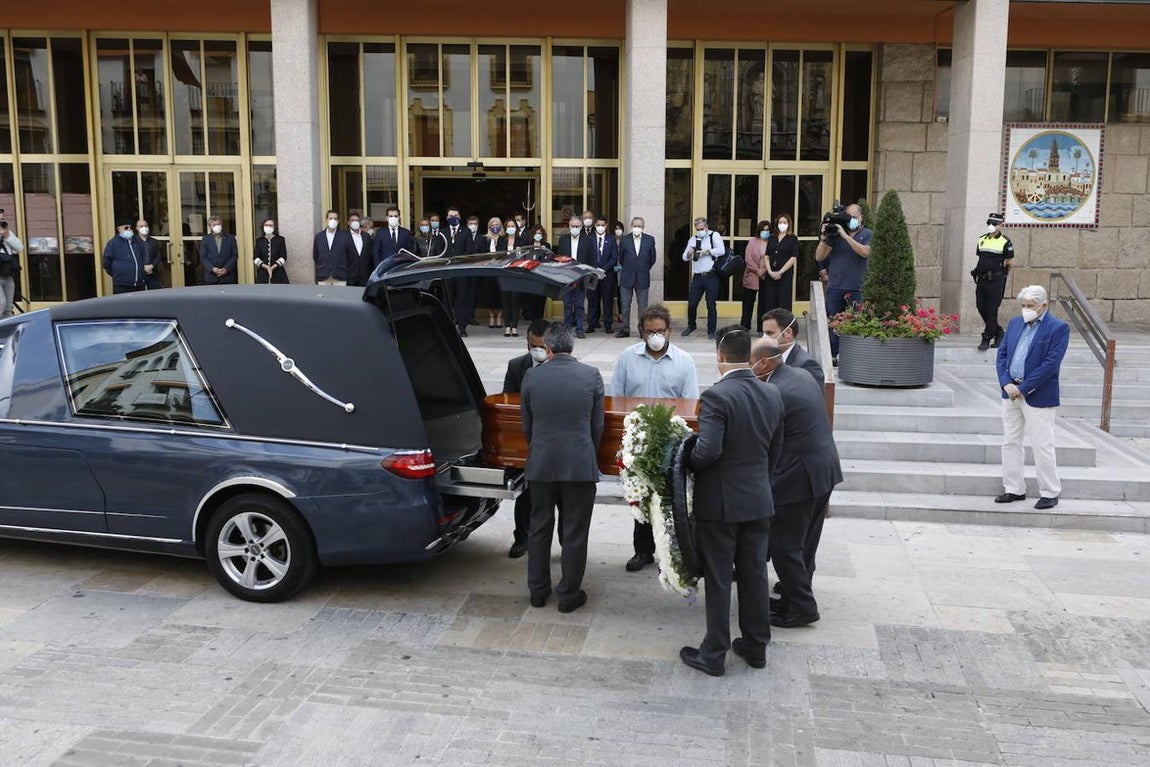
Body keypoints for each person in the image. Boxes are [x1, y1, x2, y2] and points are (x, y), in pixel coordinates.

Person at [680, 326, 784, 676]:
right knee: (754, 574)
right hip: (758, 498)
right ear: (750, 358)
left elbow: (708, 451)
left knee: (720, 576)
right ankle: (756, 646)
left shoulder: (717, 396)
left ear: (721, 357)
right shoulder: (771, 393)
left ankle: (714, 652)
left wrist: (686, 463)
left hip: (721, 503)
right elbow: (776, 451)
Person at [751, 337, 842, 627]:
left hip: (798, 478)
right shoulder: (799, 374)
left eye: (750, 364)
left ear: (763, 362)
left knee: (784, 545)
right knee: (803, 544)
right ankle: (791, 599)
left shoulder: (775, 391)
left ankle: (803, 607)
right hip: (823, 471)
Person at [520, 322, 605, 613]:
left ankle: (537, 591)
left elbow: (527, 427)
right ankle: (568, 594)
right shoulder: (591, 376)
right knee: (575, 532)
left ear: (548, 346)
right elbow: (597, 427)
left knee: (539, 528)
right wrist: (585, 452)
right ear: (572, 345)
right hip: (579, 464)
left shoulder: (532, 376)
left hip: (541, 463)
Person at [609, 304, 700, 572]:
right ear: (642, 333)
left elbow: (691, 405)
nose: (655, 336)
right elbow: (616, 398)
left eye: (660, 331)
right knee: (639, 498)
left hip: (670, 442)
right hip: (637, 442)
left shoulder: (684, 362)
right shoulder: (628, 358)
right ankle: (643, 551)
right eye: (650, 332)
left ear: (669, 330)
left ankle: (671, 555)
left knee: (671, 501)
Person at [995, 285, 1069, 511]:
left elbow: (1050, 364)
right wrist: (1006, 381)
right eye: (1023, 305)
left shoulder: (1058, 328)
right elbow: (1002, 354)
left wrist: (1024, 388)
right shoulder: (1015, 323)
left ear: (1043, 306)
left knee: (1042, 444)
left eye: (1030, 306)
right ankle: (1013, 488)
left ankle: (1049, 492)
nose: (1026, 309)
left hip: (1038, 394)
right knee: (1010, 442)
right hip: (1010, 392)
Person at [503, 318, 555, 559]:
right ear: (527, 343)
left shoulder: (560, 366)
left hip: (553, 440)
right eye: (533, 345)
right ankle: (521, 537)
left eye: (542, 346)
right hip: (526, 439)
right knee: (525, 493)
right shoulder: (516, 367)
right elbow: (507, 402)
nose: (538, 350)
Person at [814, 203, 871, 358]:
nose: (850, 220)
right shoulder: (836, 235)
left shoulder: (867, 234)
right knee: (833, 323)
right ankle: (832, 356)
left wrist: (846, 237)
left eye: (853, 217)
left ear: (861, 217)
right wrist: (824, 239)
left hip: (856, 288)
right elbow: (819, 256)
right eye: (848, 217)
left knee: (854, 323)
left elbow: (865, 252)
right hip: (835, 287)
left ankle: (852, 356)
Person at [973, 212, 1014, 351]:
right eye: (989, 223)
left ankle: (987, 336)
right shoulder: (981, 239)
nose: (991, 226)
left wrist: (1003, 277)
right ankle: (998, 332)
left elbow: (1009, 262)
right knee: (980, 306)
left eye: (995, 224)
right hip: (982, 279)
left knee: (991, 310)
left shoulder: (1005, 241)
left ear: (1001, 225)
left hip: (996, 280)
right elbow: (982, 259)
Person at [681, 216, 724, 340]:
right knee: (692, 303)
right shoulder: (693, 239)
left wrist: (708, 251)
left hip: (711, 275)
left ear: (706, 226)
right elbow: (684, 257)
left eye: (702, 228)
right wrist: (690, 253)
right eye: (697, 229)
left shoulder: (713, 235)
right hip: (698, 276)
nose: (700, 230)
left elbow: (721, 250)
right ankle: (691, 325)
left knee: (711, 304)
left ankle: (711, 330)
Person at [615, 216, 657, 338]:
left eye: (639, 226)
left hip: (643, 276)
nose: (637, 228)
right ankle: (625, 329)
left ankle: (643, 330)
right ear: (631, 226)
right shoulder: (625, 240)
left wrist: (643, 268)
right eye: (635, 226)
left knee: (643, 306)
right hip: (627, 276)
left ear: (643, 227)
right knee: (625, 305)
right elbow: (621, 258)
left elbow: (652, 258)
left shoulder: (650, 239)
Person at [762, 307, 825, 387]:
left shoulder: (806, 365)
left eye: (769, 333)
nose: (764, 338)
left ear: (788, 332)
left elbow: (815, 397)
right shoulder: (765, 360)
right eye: (764, 333)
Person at [557, 214, 594, 338]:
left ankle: (579, 329)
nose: (575, 228)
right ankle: (567, 329)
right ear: (569, 226)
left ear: (581, 226)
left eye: (577, 226)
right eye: (572, 226)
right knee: (567, 304)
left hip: (581, 276)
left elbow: (591, 259)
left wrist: (588, 273)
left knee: (579, 304)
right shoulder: (563, 239)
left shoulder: (588, 240)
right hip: (566, 276)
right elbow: (559, 258)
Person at [762, 213, 799, 315]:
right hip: (771, 274)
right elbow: (766, 256)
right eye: (780, 222)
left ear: (788, 224)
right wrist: (769, 271)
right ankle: (770, 328)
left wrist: (780, 272)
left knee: (784, 302)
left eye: (784, 222)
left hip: (785, 275)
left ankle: (784, 328)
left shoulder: (793, 239)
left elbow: (793, 258)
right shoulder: (772, 238)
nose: (782, 224)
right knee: (770, 302)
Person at [586, 217, 618, 334]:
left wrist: (603, 269)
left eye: (602, 224)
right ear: (595, 225)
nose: (600, 226)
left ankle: (608, 325)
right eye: (598, 224)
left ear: (606, 226)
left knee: (607, 301)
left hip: (606, 275)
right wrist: (594, 269)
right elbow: (586, 255)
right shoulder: (589, 239)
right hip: (592, 275)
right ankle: (591, 324)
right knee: (592, 300)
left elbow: (614, 257)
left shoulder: (611, 239)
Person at [498, 217, 528, 336]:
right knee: (506, 300)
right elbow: (499, 257)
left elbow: (525, 257)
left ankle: (514, 326)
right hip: (504, 273)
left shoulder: (521, 241)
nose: (511, 228)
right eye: (508, 226)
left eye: (513, 226)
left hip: (516, 273)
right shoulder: (501, 241)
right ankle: (507, 326)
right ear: (505, 229)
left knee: (515, 300)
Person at [103, 218, 148, 293]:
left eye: (130, 227)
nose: (129, 229)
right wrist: (118, 273)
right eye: (126, 228)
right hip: (122, 285)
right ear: (119, 229)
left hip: (139, 284)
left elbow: (142, 257)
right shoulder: (113, 243)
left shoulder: (136, 242)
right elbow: (106, 263)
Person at [742, 220, 770, 331]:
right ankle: (745, 327)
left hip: (766, 276)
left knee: (763, 304)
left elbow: (773, 258)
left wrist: (764, 270)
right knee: (748, 303)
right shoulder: (752, 241)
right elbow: (748, 259)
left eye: (768, 230)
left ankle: (761, 328)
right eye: (763, 230)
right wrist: (757, 270)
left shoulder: (772, 241)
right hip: (752, 276)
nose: (765, 232)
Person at [478, 216, 505, 329]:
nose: (495, 227)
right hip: (488, 271)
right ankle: (491, 316)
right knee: (488, 295)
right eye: (492, 225)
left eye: (497, 225)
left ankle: (499, 316)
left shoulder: (504, 239)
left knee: (500, 294)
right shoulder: (484, 239)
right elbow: (480, 254)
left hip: (500, 271)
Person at [313, 209, 351, 286]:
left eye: (335, 219)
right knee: (323, 297)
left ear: (338, 221)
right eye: (331, 218)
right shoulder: (319, 237)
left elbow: (349, 255)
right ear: (326, 220)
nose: (333, 221)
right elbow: (316, 255)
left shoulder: (345, 236)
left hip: (340, 276)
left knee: (339, 297)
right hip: (323, 276)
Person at [371, 205, 416, 271]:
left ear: (399, 217)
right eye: (391, 216)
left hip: (401, 267)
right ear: (386, 218)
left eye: (395, 216)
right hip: (385, 268)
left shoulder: (406, 233)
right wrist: (378, 268)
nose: (393, 218)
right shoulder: (380, 232)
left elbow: (410, 252)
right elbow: (376, 252)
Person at [200, 215, 238, 285]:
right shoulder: (206, 239)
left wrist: (226, 269)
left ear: (221, 224)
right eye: (214, 225)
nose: (216, 226)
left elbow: (234, 255)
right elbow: (203, 257)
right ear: (210, 227)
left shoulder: (230, 238)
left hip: (228, 277)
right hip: (211, 277)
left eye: (218, 224)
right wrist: (213, 269)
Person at [0, 215, 23, 318]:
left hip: (6, 273)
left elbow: (19, 248)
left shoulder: (7, 234)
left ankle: (8, 332)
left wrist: (7, 236)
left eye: (2, 220)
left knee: (8, 308)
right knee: (1, 303)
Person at [254, 218, 289, 284]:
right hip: (262, 274)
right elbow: (255, 258)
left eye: (271, 225)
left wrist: (272, 268)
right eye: (266, 225)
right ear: (263, 227)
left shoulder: (280, 239)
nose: (268, 227)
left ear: (274, 227)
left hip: (278, 273)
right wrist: (266, 267)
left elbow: (283, 257)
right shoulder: (259, 241)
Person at [135, 218, 164, 290]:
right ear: (137, 228)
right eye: (141, 226)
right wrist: (143, 267)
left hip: (152, 273)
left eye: (146, 226)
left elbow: (158, 255)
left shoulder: (154, 241)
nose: (144, 228)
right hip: (138, 273)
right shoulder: (133, 242)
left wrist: (152, 265)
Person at [345, 212, 373, 287]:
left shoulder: (366, 236)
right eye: (352, 220)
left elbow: (370, 255)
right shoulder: (343, 236)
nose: (355, 222)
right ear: (348, 222)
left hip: (364, 275)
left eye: (357, 220)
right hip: (349, 275)